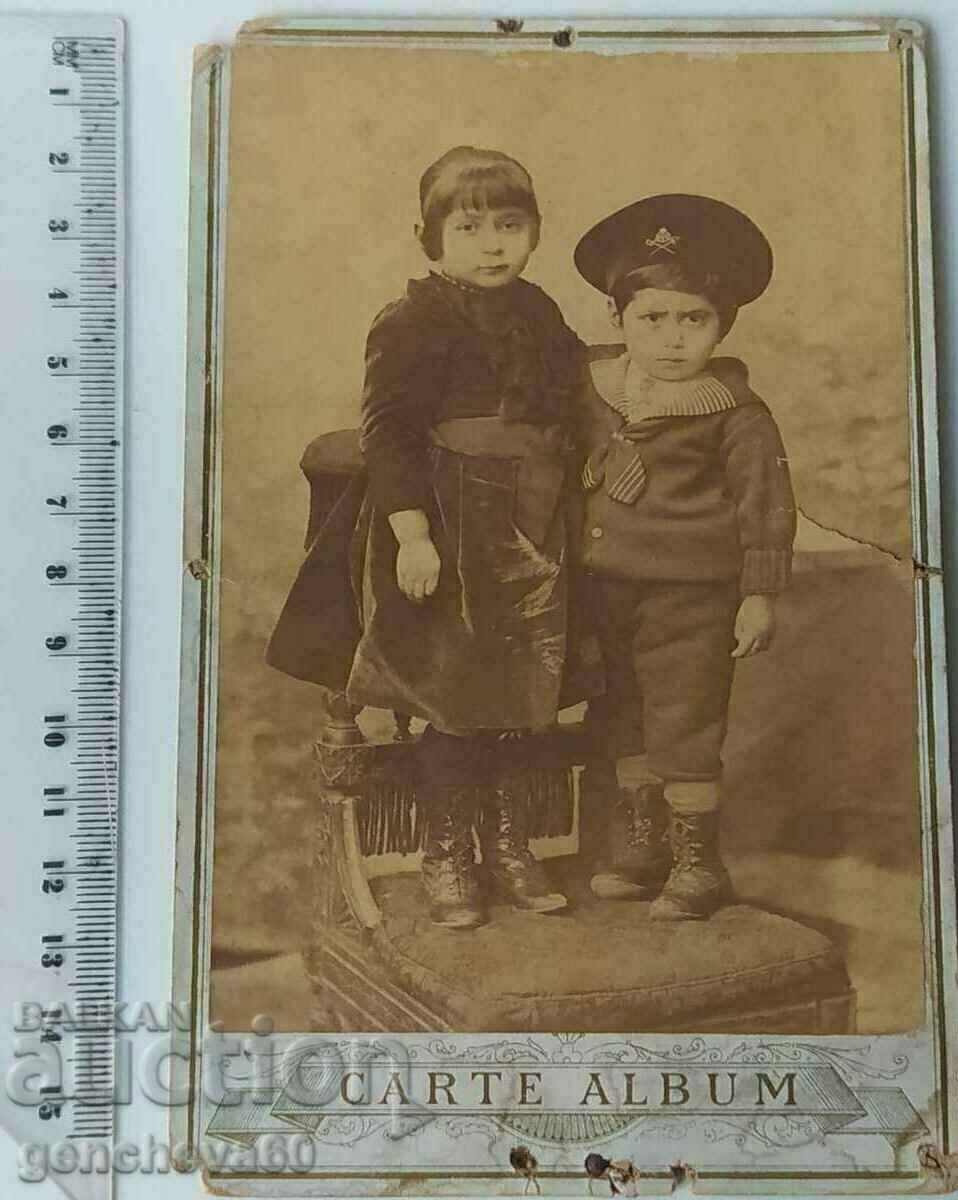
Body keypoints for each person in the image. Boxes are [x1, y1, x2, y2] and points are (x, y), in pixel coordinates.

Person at [270, 146, 586, 930]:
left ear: (534, 232)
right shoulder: (411, 320)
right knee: (455, 695)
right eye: (470, 226)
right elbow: (388, 436)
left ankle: (510, 845)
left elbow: (574, 398)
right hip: (447, 524)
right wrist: (413, 536)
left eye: (509, 226)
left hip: (533, 522)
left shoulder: (540, 310)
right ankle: (448, 851)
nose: (492, 245)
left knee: (525, 693)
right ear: (429, 236)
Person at [571, 193, 797, 921]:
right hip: (604, 587)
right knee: (622, 714)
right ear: (616, 320)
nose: (672, 339)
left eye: (693, 319)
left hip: (692, 594)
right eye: (652, 318)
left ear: (721, 325)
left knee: (686, 719)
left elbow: (765, 507)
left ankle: (698, 861)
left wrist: (758, 593)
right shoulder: (596, 391)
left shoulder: (734, 412)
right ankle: (640, 845)